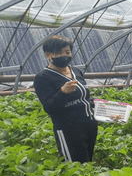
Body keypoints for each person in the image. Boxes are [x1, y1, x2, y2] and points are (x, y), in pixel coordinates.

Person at [33, 35, 97, 163]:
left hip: (89, 126)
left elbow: (84, 98)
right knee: (75, 166)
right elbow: (50, 108)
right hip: (69, 130)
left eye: (67, 52)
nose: (64, 55)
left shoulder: (76, 71)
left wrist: (102, 108)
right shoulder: (43, 78)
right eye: (58, 52)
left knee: (88, 163)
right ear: (48, 55)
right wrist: (62, 92)